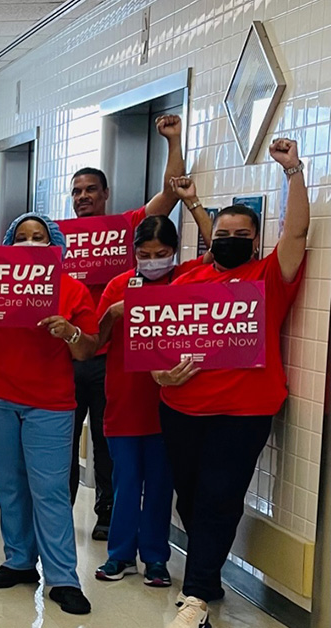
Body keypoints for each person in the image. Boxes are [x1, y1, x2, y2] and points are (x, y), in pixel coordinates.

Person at [158, 139, 308, 628]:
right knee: (191, 496)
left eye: (242, 233)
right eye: (222, 233)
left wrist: (293, 173)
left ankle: (197, 595)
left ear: (255, 239)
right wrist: (160, 371)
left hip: (243, 412)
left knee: (221, 496)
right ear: (210, 238)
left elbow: (298, 232)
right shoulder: (185, 281)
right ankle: (209, 575)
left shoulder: (269, 277)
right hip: (180, 407)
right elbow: (157, 343)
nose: (230, 239)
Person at [0, 165, 98, 615]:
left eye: (40, 237)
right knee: (10, 485)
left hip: (50, 405)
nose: (30, 244)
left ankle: (62, 578)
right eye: (22, 236)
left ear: (55, 246)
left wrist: (70, 332)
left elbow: (89, 350)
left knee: (50, 489)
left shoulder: (72, 291)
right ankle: (18, 560)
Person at [67, 114, 186, 541]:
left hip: (111, 358)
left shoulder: (126, 231)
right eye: (77, 191)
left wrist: (172, 140)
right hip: (69, 353)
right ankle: (60, 513)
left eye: (90, 190)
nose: (83, 197)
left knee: (105, 443)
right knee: (63, 441)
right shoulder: (58, 240)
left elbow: (170, 195)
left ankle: (106, 513)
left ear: (105, 194)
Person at [92, 178, 213, 588]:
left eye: (161, 254)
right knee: (127, 482)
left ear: (174, 253)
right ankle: (119, 554)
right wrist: (115, 312)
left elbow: (218, 254)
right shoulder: (118, 285)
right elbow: (96, 340)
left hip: (169, 403)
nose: (153, 261)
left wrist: (193, 204)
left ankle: (156, 557)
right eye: (144, 255)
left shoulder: (185, 281)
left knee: (161, 485)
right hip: (125, 399)